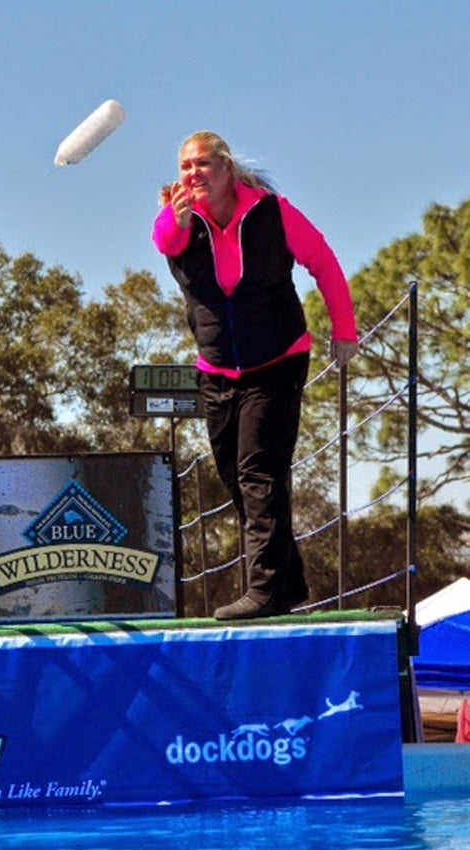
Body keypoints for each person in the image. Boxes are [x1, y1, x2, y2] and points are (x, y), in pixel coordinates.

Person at [152, 131, 358, 620]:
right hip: (217, 369)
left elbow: (323, 262)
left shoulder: (273, 212)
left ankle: (263, 590)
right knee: (235, 477)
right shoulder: (176, 218)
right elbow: (166, 240)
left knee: (258, 473)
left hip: (278, 361)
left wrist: (344, 329)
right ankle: (287, 583)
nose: (193, 174)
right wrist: (178, 217)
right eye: (185, 166)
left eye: (203, 164)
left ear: (226, 168)